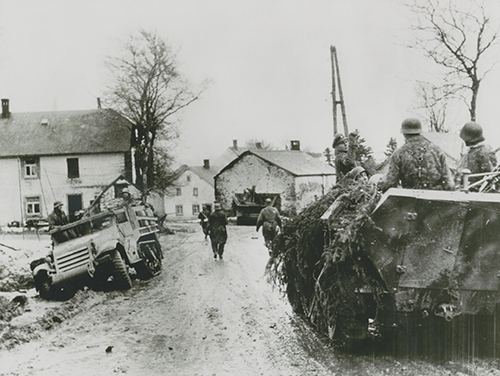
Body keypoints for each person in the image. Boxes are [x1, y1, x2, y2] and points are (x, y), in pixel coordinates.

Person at [380, 118, 454, 191]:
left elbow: (390, 184)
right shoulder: (438, 151)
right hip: (436, 199)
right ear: (420, 132)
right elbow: (449, 184)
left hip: (409, 201)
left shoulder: (398, 154)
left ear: (404, 134)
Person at [459, 121, 497, 185]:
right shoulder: (472, 150)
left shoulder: (483, 152)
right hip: (467, 184)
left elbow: (489, 175)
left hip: (476, 189)